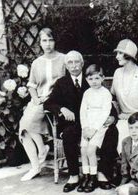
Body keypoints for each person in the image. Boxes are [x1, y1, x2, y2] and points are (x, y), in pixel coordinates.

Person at [44, 51, 119, 193]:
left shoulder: (91, 78)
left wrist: (113, 117)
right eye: (70, 63)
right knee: (68, 134)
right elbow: (48, 103)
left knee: (112, 131)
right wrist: (62, 109)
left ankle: (102, 173)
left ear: (82, 63)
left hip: (95, 121)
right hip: (74, 124)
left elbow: (107, 104)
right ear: (66, 66)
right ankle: (74, 175)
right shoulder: (61, 83)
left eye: (76, 62)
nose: (73, 66)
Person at [19, 28, 66, 181]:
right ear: (40, 43)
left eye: (50, 40)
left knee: (27, 122)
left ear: (55, 41)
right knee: (23, 129)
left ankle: (40, 154)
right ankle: (36, 163)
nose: (47, 44)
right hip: (38, 100)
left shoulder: (63, 59)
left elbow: (67, 84)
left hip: (54, 101)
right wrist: (35, 98)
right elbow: (32, 85)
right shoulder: (36, 63)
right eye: (44, 40)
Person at [111, 39, 138, 154]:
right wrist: (117, 115)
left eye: (120, 53)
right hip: (123, 119)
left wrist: (131, 115)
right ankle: (127, 168)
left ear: (129, 55)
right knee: (120, 134)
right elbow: (113, 98)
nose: (117, 57)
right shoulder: (117, 73)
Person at [78, 64, 112, 192]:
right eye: (91, 79)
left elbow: (105, 113)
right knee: (83, 150)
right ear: (87, 80)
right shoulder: (87, 93)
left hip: (99, 127)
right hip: (87, 126)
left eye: (97, 78)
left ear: (103, 78)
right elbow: (83, 111)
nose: (94, 82)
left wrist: (94, 129)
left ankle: (93, 178)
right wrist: (85, 127)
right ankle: (86, 177)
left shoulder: (105, 93)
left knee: (91, 150)